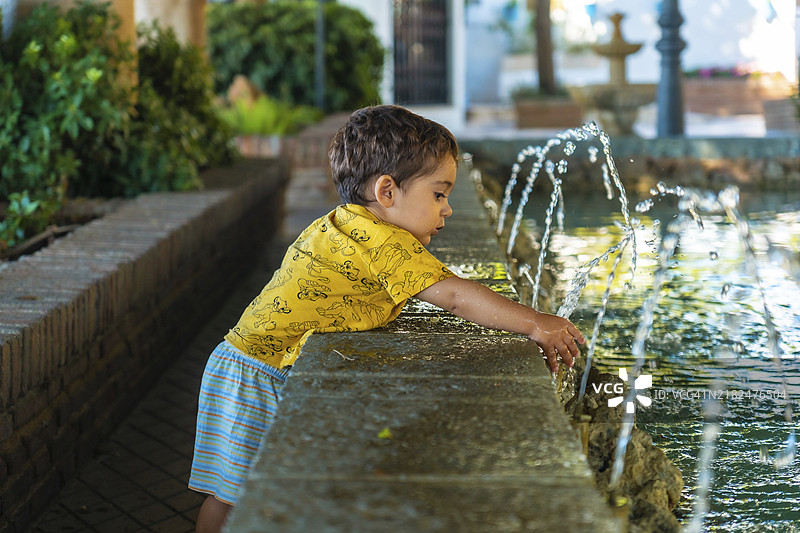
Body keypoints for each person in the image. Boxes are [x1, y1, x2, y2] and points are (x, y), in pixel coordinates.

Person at [189, 104, 586, 533]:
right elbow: (453, 296)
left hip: (254, 362)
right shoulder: (378, 239)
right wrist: (533, 322)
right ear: (387, 192)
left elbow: (440, 283)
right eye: (439, 194)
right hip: (257, 372)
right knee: (235, 497)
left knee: (242, 494)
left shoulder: (354, 225)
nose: (448, 209)